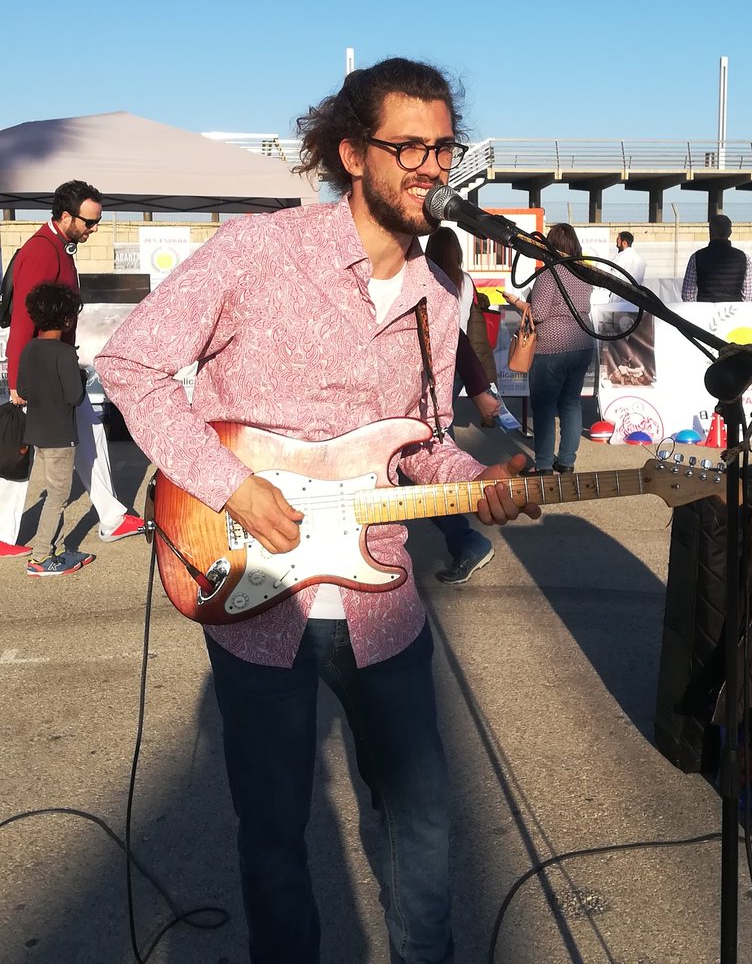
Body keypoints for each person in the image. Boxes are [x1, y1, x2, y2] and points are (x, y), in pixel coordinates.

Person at [96, 57, 540, 964]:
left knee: (422, 820)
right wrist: (229, 484)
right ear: (352, 153)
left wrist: (478, 476)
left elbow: (417, 440)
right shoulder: (257, 252)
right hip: (256, 600)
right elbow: (131, 364)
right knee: (274, 836)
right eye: (408, 147)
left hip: (385, 607)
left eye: (442, 148)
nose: (430, 167)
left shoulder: (441, 293)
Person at [0, 179, 144, 556]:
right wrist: (16, 381)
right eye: (89, 222)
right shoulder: (42, 251)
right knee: (17, 450)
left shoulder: (60, 247)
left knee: (87, 432)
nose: (94, 229)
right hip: (41, 373)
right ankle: (3, 534)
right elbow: (22, 321)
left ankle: (111, 516)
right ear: (66, 217)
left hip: (57, 368)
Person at [422, 227, 500, 585]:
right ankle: (466, 540)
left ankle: (467, 541)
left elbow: (454, 333)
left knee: (428, 464)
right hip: (451, 369)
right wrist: (479, 385)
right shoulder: (464, 281)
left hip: (431, 371)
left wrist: (480, 387)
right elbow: (462, 331)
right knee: (437, 452)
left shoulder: (427, 278)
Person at [17, 283, 96, 577]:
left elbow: (23, 390)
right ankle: (41, 557)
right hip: (60, 435)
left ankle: (55, 549)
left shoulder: (29, 349)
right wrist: (80, 374)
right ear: (67, 319)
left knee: (54, 492)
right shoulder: (64, 353)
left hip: (37, 432)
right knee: (58, 496)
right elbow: (75, 396)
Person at [508, 223, 595, 475]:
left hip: (552, 347)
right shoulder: (583, 272)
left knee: (544, 407)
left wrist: (516, 302)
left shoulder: (550, 273)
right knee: (571, 402)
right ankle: (566, 461)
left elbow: (538, 314)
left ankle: (544, 464)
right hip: (582, 343)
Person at [680, 214, 752, 302]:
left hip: (705, 309)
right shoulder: (744, 258)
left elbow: (687, 295)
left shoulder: (696, 257)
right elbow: (748, 295)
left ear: (710, 232)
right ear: (730, 232)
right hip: (734, 309)